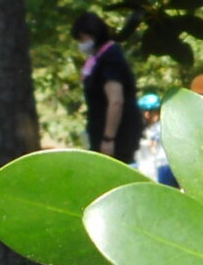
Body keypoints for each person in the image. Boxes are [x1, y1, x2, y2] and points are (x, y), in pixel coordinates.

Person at [72, 13, 142, 163]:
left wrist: (108, 138)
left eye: (82, 38)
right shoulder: (97, 59)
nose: (81, 44)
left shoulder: (111, 59)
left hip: (117, 137)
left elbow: (116, 100)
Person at [132, 92, 172, 183]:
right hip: (165, 164)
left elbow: (152, 147)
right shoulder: (159, 125)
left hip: (163, 164)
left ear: (148, 113)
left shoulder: (157, 128)